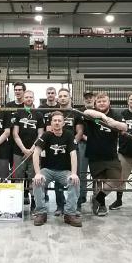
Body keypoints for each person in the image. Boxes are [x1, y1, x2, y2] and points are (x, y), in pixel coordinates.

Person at [31, 111, 81, 227]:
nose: (57, 123)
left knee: (74, 181)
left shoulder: (69, 135)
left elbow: (73, 154)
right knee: (37, 181)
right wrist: (38, 173)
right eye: (55, 121)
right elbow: (35, 153)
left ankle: (69, 214)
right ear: (51, 123)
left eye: (59, 121)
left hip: (64, 171)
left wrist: (74, 173)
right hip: (47, 170)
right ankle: (41, 212)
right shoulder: (46, 135)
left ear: (64, 123)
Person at [83, 93, 128, 216]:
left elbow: (124, 127)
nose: (102, 103)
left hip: (111, 154)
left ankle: (97, 198)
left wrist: (113, 123)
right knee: (99, 181)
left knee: (118, 179)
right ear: (95, 104)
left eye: (104, 101)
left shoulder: (116, 114)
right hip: (95, 154)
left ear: (109, 103)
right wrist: (104, 117)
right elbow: (86, 113)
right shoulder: (92, 112)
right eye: (99, 101)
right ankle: (101, 205)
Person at [48, 88, 83, 216]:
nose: (63, 98)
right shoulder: (54, 114)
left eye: (65, 96)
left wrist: (72, 144)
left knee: (75, 178)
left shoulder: (76, 113)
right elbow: (49, 130)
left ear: (70, 97)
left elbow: (79, 131)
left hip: (72, 150)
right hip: (57, 150)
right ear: (57, 98)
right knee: (58, 179)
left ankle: (75, 206)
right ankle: (60, 206)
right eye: (61, 96)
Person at [12, 90, 44, 208]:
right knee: (18, 177)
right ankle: (16, 203)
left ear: (34, 98)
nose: (29, 99)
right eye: (27, 97)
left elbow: (40, 134)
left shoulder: (39, 114)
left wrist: (31, 149)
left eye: (31, 97)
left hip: (34, 151)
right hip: (19, 150)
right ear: (23, 98)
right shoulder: (17, 113)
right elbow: (15, 133)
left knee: (33, 177)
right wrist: (24, 149)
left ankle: (34, 202)